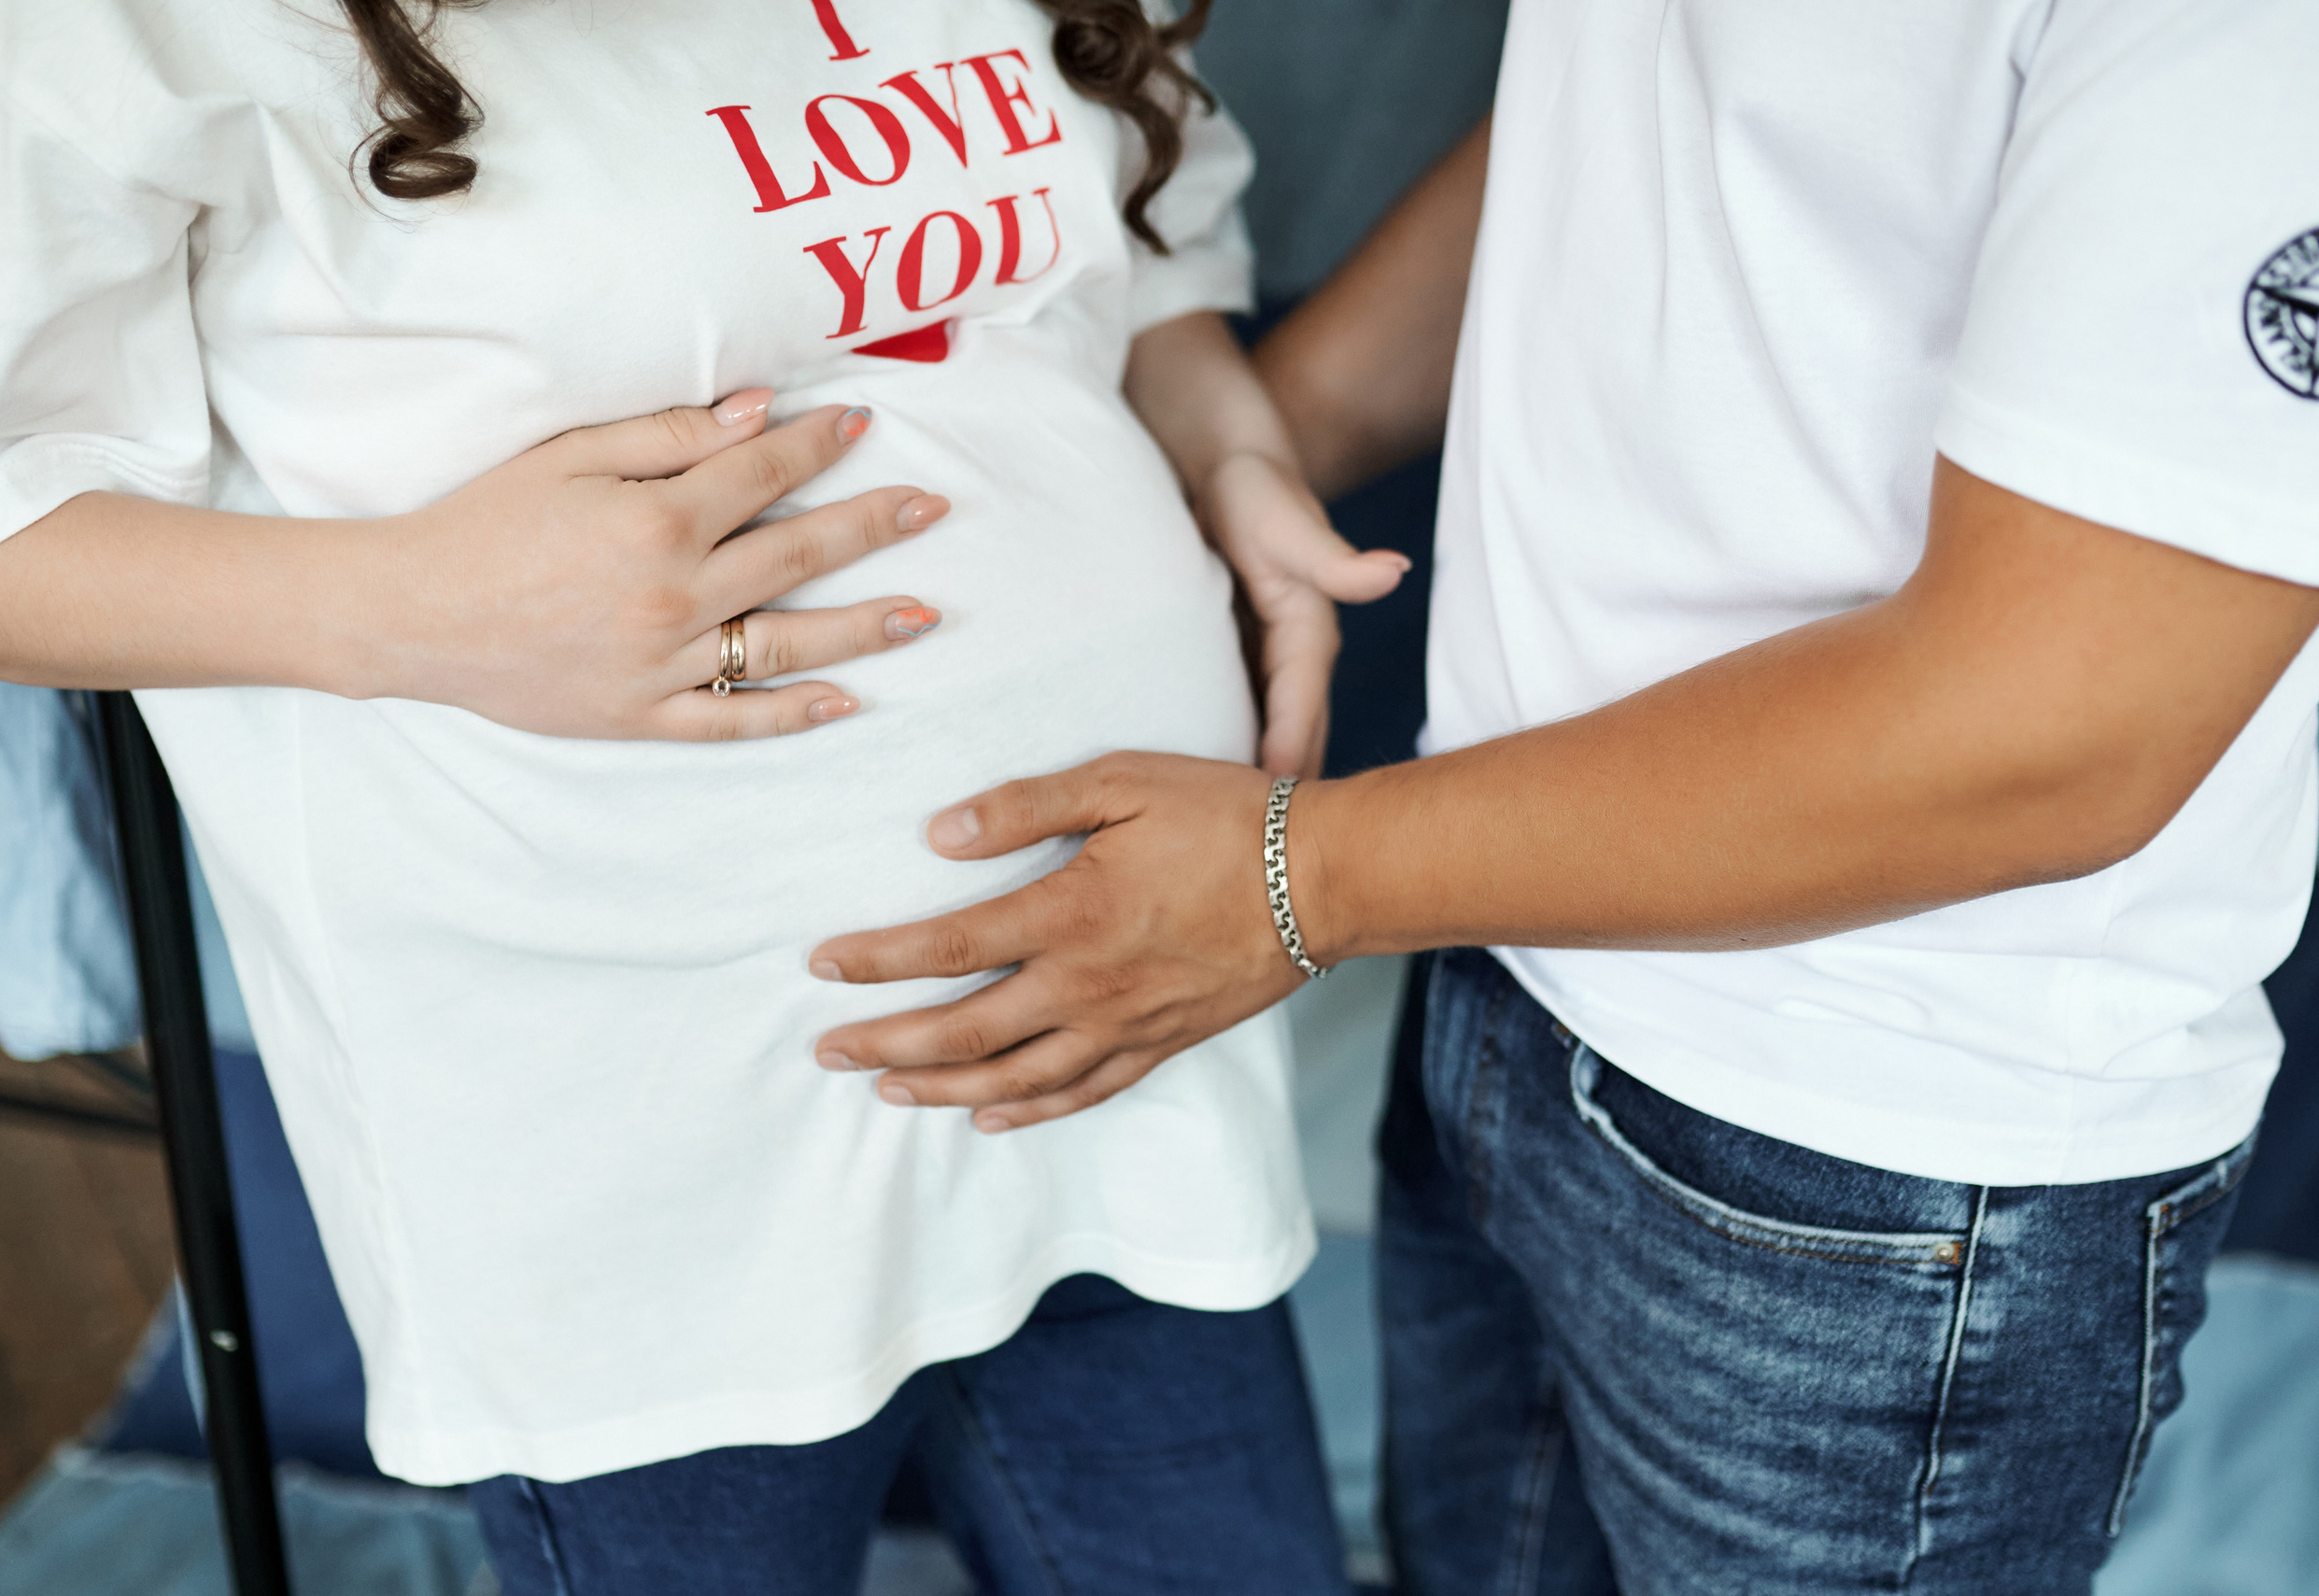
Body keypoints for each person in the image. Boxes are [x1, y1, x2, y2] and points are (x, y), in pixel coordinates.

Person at [804, 0, 2319, 1590]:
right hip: (1503, 961)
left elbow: (2060, 728)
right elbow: (1673, 112)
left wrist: (1308, 878)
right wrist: (1243, 466)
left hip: (1874, 1152)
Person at [0, 2, 1406, 1590]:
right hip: (652, 1155)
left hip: (1128, 1037)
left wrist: (1225, 447)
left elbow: (1136, 239)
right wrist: (402, 607)